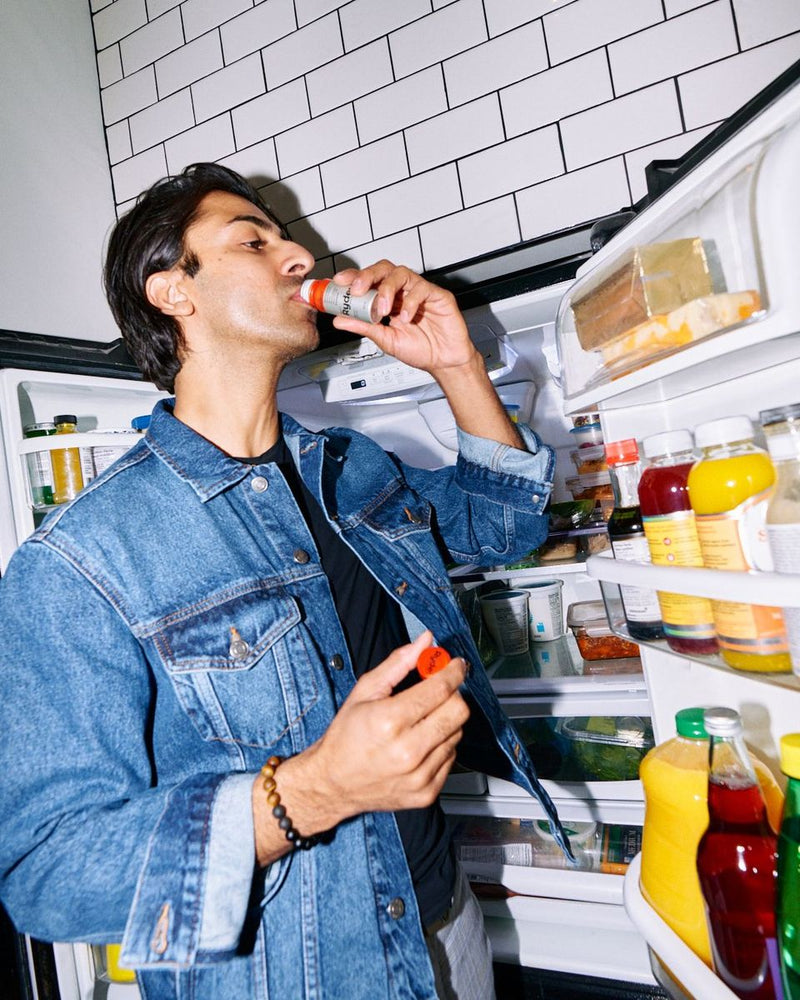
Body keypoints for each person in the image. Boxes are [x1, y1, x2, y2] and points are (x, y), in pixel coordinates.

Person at [0, 163, 570, 1000]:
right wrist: (312, 793)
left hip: (444, 921)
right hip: (295, 974)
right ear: (173, 292)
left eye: (287, 238)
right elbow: (49, 871)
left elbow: (504, 527)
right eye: (253, 242)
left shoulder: (349, 465)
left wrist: (456, 365)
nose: (299, 255)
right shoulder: (80, 561)